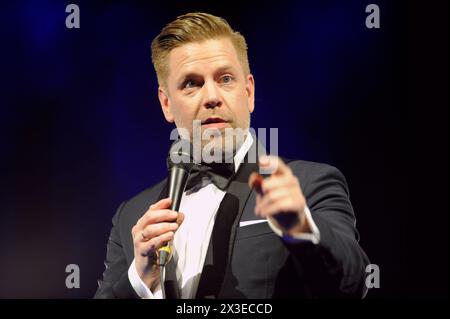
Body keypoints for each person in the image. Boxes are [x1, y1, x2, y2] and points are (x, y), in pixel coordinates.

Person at [94, 12, 370, 299]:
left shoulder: (310, 183)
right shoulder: (131, 216)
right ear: (166, 104)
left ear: (248, 92)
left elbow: (351, 285)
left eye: (225, 78)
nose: (212, 96)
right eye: (192, 83)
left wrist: (300, 227)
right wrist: (138, 280)